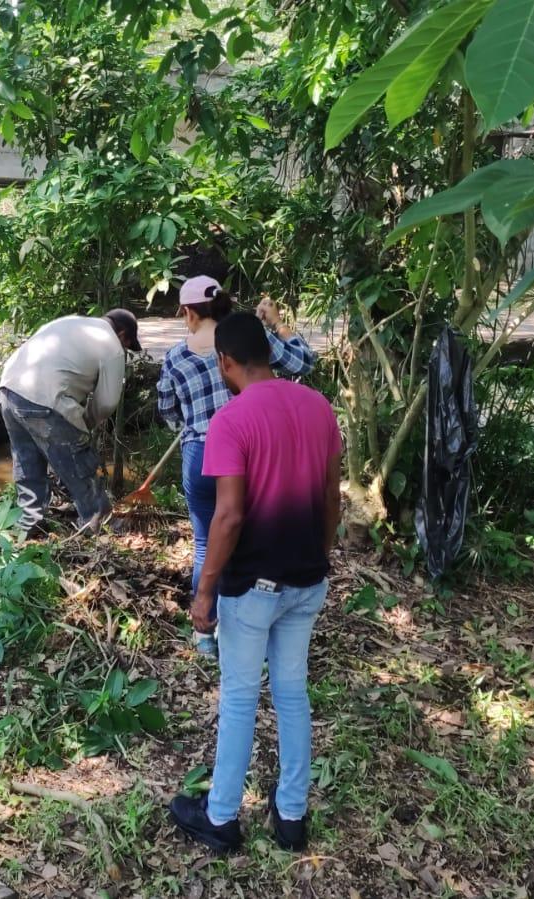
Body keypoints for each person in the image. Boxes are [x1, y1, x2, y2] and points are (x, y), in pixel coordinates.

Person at [168, 311, 342, 854]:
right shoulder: (317, 406)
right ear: (267, 352)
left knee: (241, 696)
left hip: (252, 587)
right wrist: (321, 553)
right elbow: (332, 498)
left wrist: (204, 591)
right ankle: (291, 815)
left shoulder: (231, 420)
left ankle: (220, 817)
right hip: (307, 578)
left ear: (224, 361)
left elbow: (228, 517)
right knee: (291, 691)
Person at [156, 276, 317, 606]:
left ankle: (204, 631)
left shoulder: (174, 357)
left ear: (188, 312)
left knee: (205, 544)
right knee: (249, 536)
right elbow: (304, 362)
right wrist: (277, 324)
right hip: (250, 452)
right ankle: (245, 617)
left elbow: (168, 411)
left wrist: (189, 424)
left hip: (199, 454)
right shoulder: (245, 344)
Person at [0, 309, 141, 537]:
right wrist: (84, 425)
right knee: (79, 463)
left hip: (8, 390)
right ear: (122, 334)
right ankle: (98, 524)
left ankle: (29, 525)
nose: (124, 349)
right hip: (46, 398)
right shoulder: (112, 345)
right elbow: (107, 402)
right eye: (127, 344)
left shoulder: (69, 322)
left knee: (27, 461)